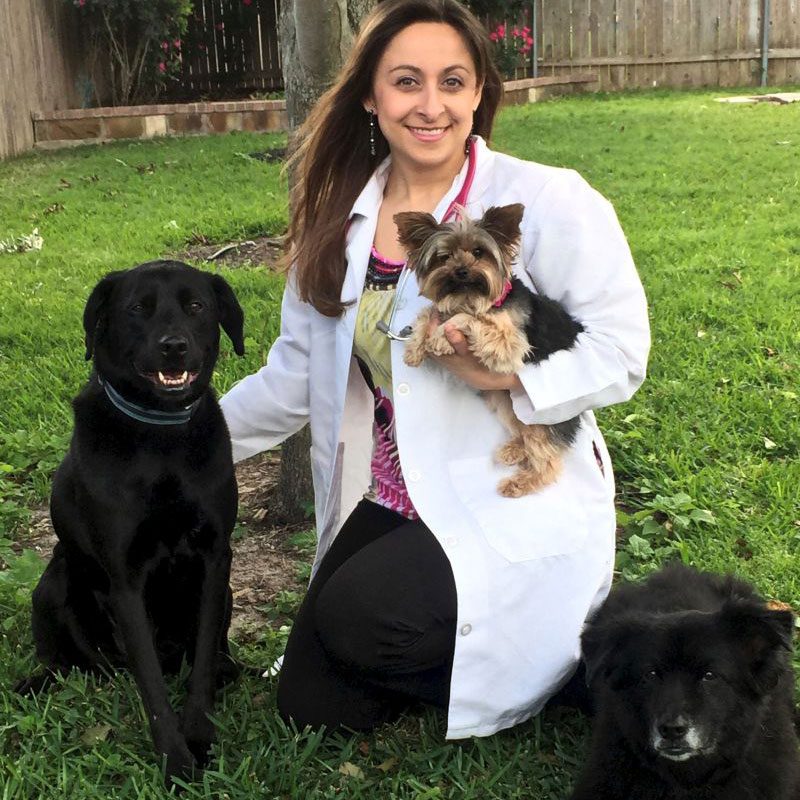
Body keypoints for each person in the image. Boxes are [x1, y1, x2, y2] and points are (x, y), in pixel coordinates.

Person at [219, 0, 650, 739]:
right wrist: (186, 435)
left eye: (453, 81)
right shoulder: (338, 222)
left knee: (359, 617)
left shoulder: (548, 200)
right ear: (370, 96)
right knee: (313, 706)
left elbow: (620, 351)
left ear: (479, 92)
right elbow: (294, 376)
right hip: (393, 492)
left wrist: (511, 378)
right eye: (406, 81)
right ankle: (493, 659)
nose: (430, 105)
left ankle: (555, 668)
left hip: (507, 489)